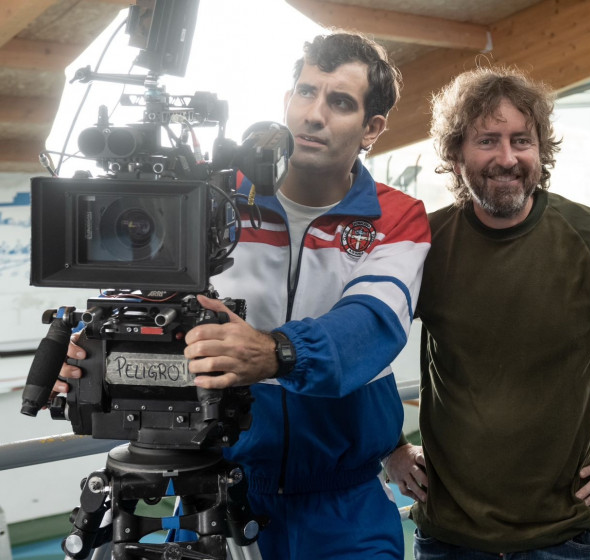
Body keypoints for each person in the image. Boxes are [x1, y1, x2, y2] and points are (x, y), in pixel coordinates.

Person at [57, 32, 430, 559]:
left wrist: (275, 352)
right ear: (286, 100)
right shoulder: (207, 199)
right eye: (305, 92)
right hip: (215, 493)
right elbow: (134, 307)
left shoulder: (397, 217)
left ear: (372, 128)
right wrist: (82, 356)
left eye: (339, 102)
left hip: (343, 505)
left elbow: (372, 327)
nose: (313, 114)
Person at [384, 66, 590, 559]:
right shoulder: (424, 243)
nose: (507, 158)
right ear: (456, 152)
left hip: (567, 537)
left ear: (541, 150)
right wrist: (390, 448)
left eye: (521, 140)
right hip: (449, 537)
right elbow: (362, 346)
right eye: (487, 140)